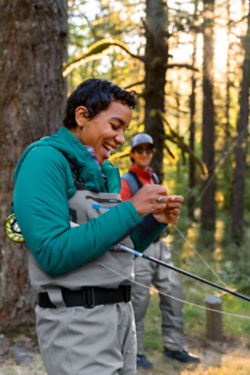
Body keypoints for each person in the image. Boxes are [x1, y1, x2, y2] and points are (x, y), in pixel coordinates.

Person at [10, 79, 184, 375]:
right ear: (82, 116)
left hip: (120, 319)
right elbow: (52, 253)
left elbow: (117, 250)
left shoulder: (103, 173)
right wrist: (131, 210)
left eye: (124, 130)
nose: (120, 138)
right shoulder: (44, 160)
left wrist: (153, 222)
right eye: (115, 126)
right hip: (76, 324)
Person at [120, 133, 200, 369]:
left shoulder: (154, 177)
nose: (145, 153)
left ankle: (174, 347)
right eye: (140, 149)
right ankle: (134, 353)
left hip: (161, 246)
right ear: (132, 153)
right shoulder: (126, 182)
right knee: (139, 300)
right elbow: (124, 217)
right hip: (139, 249)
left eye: (149, 149)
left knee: (173, 293)